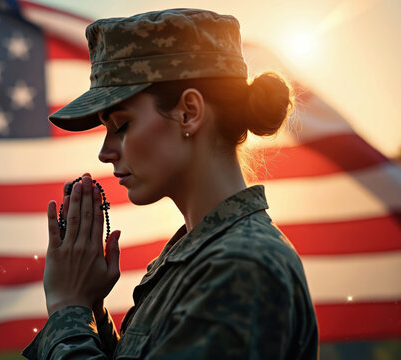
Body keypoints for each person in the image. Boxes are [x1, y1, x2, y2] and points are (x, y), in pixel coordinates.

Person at [22, 8, 318, 359]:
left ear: (189, 112)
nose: (105, 152)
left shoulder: (239, 267)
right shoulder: (206, 257)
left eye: (121, 125)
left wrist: (67, 310)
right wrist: (90, 311)